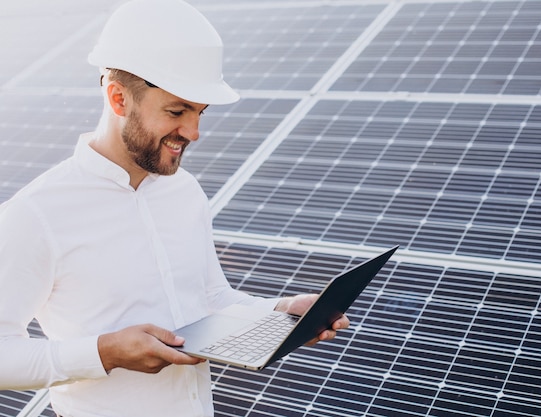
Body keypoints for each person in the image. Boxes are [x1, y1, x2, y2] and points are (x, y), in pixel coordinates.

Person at [0, 1, 349, 416]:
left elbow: (210, 298)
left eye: (200, 112)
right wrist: (104, 352)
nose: (194, 132)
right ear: (118, 99)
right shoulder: (35, 214)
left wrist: (280, 313)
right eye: (176, 111)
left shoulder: (183, 191)